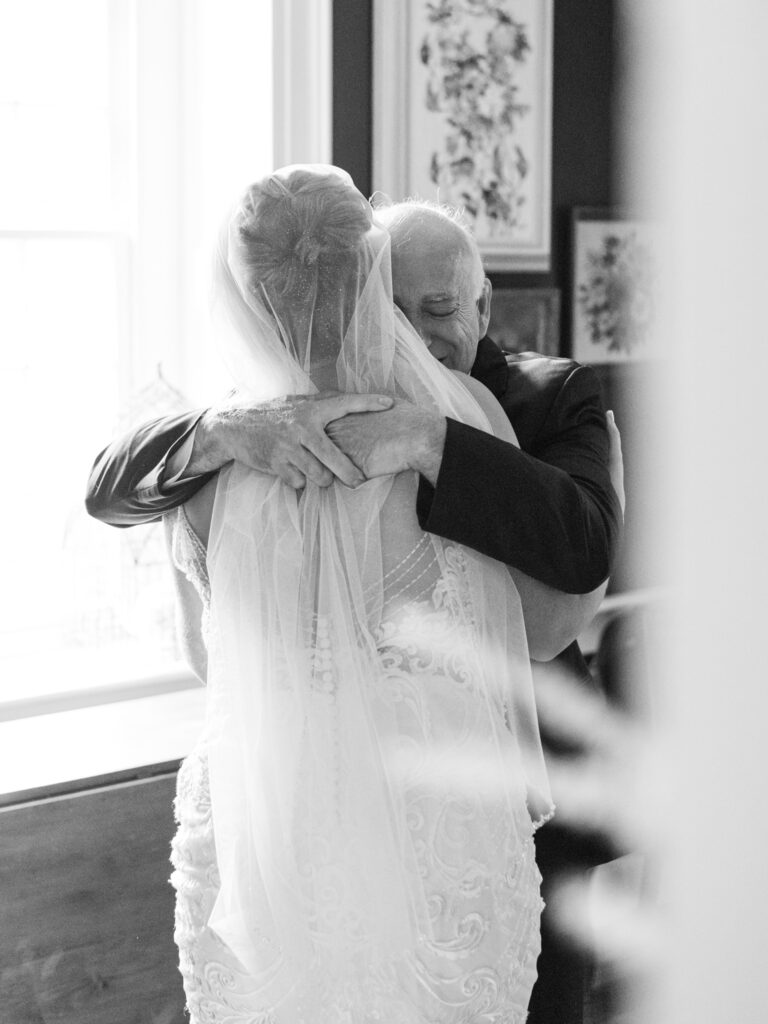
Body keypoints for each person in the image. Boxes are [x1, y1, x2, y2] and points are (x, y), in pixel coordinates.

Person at [85, 194, 623, 1023]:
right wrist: (221, 430)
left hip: (507, 788)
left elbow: (580, 552)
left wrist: (428, 439)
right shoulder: (267, 421)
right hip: (317, 808)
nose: (410, 332)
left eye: (439, 309)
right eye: (388, 306)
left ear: (483, 303)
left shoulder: (543, 397)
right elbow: (110, 486)